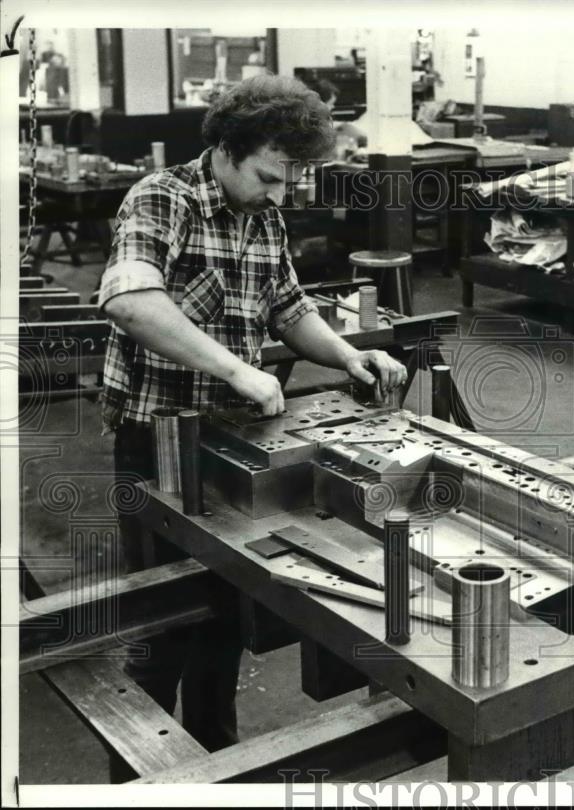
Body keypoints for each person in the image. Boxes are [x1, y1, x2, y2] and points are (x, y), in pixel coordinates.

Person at [97, 74, 407, 752]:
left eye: (289, 182)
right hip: (157, 446)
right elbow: (129, 301)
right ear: (230, 149)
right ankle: (138, 779)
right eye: (270, 176)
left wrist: (347, 357)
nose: (280, 195)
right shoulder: (161, 199)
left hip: (230, 444)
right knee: (161, 626)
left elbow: (289, 308)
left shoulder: (264, 215)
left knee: (221, 617)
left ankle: (214, 763)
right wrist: (238, 368)